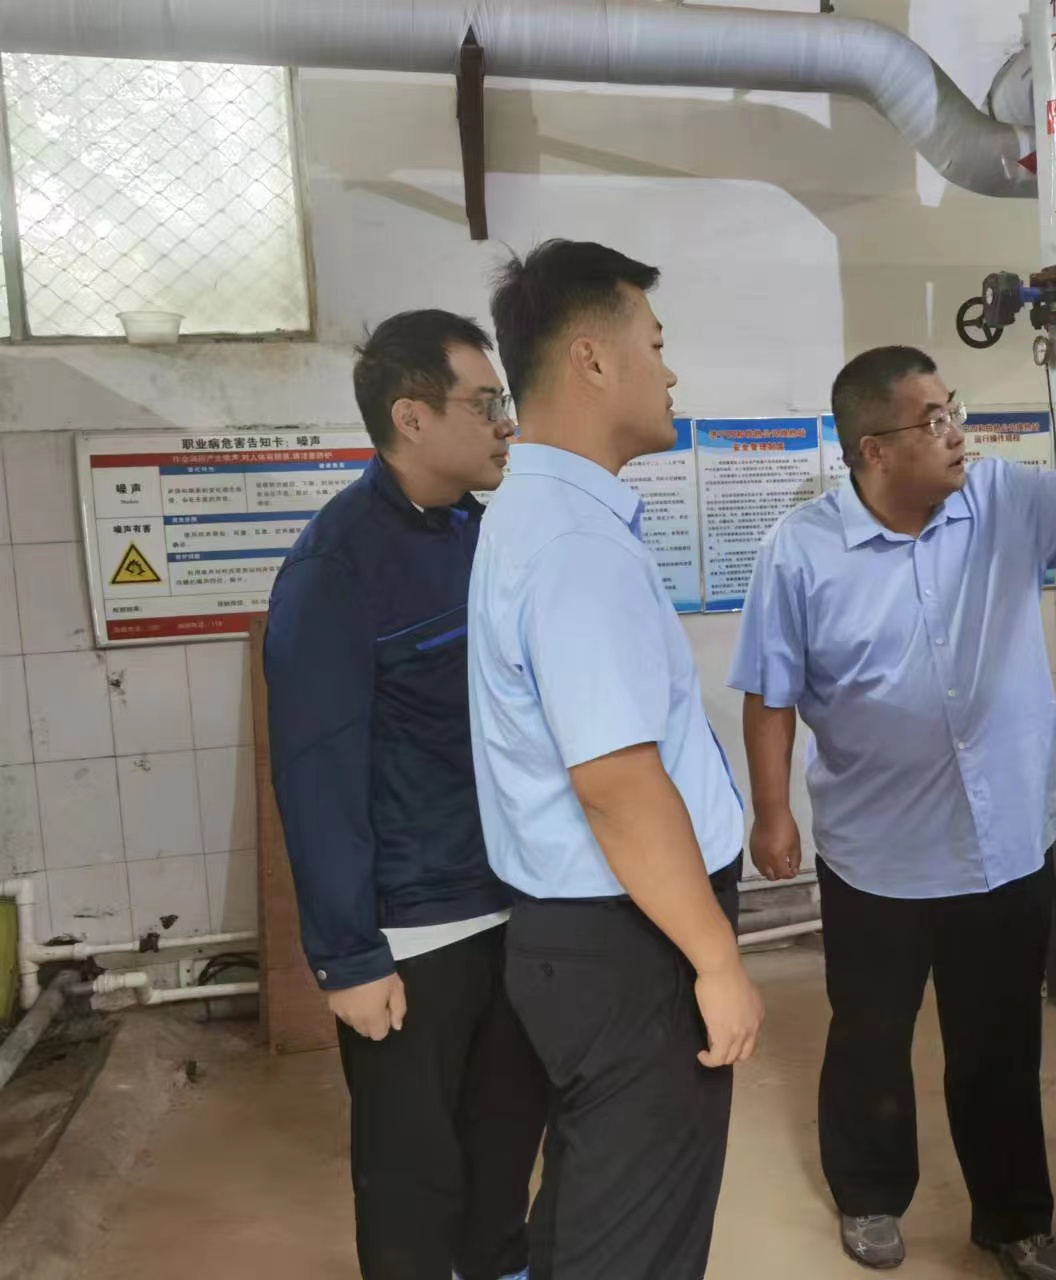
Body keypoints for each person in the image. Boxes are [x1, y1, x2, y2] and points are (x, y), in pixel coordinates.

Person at [729, 345, 1056, 1279]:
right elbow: (770, 692)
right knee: (871, 1037)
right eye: (933, 421)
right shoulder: (800, 549)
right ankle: (870, 1195)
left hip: (1003, 844)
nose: (957, 433)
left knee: (998, 1044)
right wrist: (772, 814)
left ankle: (1013, 1219)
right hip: (877, 854)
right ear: (874, 450)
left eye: (953, 409)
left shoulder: (1002, 498)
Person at [469, 239, 763, 1280]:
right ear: (592, 359)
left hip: (593, 932)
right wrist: (716, 962)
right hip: (634, 942)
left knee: (592, 1216)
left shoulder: (541, 514)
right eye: (656, 343)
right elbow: (617, 784)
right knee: (636, 1243)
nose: (670, 372)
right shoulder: (574, 544)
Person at [265, 310, 545, 1280]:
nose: (506, 423)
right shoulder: (335, 567)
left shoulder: (483, 532)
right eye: (486, 402)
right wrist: (348, 955)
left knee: (504, 1144)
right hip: (416, 930)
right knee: (411, 1174)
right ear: (411, 417)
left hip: (514, 896)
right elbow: (317, 772)